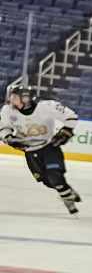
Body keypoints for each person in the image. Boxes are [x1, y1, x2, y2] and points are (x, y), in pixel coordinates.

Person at [2, 78, 82, 214]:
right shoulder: (7, 111)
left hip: (49, 147)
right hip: (29, 151)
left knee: (54, 176)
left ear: (25, 98)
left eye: (14, 97)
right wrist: (8, 138)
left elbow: (71, 116)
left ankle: (67, 198)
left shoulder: (46, 106)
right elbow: (4, 128)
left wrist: (66, 130)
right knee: (48, 182)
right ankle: (66, 189)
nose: (11, 100)